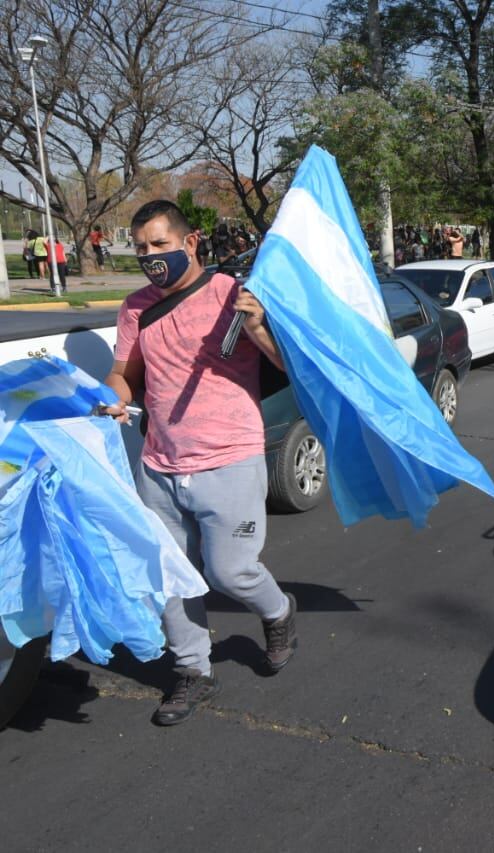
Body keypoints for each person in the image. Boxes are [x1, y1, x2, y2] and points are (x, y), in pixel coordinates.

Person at [104, 200, 298, 727]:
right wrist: (113, 396)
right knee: (170, 576)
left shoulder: (234, 296)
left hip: (230, 458)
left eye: (161, 244)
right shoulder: (136, 308)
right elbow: (125, 371)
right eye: (142, 248)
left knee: (231, 572)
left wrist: (258, 325)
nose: (150, 256)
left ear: (190, 243)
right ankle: (192, 669)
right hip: (160, 464)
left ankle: (278, 612)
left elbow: (292, 367)